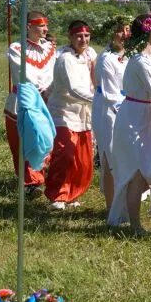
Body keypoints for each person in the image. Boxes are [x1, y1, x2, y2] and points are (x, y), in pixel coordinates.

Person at [108, 10, 151, 236]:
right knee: (137, 172)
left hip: (147, 115)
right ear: (150, 33)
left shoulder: (149, 60)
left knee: (147, 166)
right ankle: (136, 225)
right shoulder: (141, 61)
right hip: (136, 117)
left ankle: (139, 216)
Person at [45, 20, 97, 210]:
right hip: (64, 113)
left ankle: (73, 193)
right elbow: (72, 89)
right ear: (70, 37)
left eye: (86, 35)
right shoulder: (65, 58)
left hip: (84, 115)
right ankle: (57, 196)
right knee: (65, 155)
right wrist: (98, 100)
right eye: (79, 36)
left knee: (83, 159)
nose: (83, 39)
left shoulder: (90, 54)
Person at [4, 11, 56, 198]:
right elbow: (24, 74)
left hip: (46, 99)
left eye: (46, 25)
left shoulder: (51, 48)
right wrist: (41, 89)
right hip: (24, 100)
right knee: (22, 140)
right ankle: (29, 183)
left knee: (45, 138)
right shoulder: (17, 48)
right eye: (41, 25)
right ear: (29, 26)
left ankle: (42, 175)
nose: (45, 29)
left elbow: (52, 73)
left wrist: (50, 91)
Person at [92, 16, 130, 210]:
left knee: (125, 158)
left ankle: (124, 202)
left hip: (127, 110)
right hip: (109, 111)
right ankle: (111, 208)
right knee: (110, 156)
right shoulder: (106, 58)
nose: (124, 34)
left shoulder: (130, 55)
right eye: (120, 30)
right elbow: (110, 93)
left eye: (127, 29)